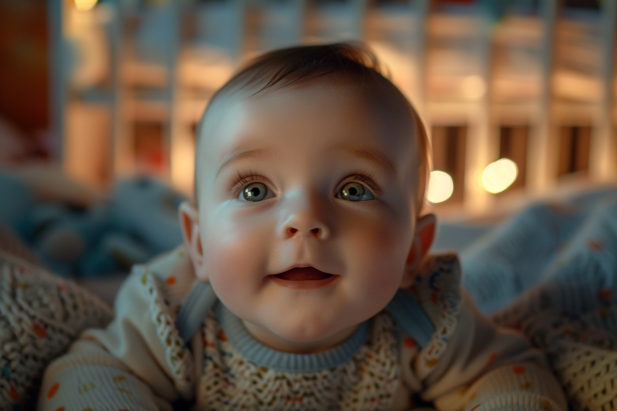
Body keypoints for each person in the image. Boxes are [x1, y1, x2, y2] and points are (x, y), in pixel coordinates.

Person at [38, 43, 567, 411]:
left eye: (354, 189)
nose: (305, 220)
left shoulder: (429, 318)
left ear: (413, 251)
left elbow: (509, 375)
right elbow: (89, 373)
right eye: (253, 191)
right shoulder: (173, 310)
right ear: (198, 244)